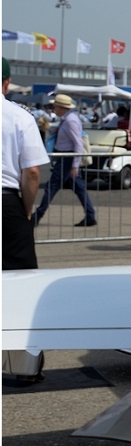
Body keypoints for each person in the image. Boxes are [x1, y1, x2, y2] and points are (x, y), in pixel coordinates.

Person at [2, 60, 49, 385]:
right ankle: (24, 367)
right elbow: (32, 172)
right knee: (20, 285)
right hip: (7, 202)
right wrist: (27, 211)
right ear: (7, 82)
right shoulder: (19, 116)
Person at [33, 93, 97, 227]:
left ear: (61, 108)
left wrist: (75, 165)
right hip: (67, 157)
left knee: (52, 187)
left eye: (55, 106)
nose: (54, 109)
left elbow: (78, 144)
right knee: (79, 188)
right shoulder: (68, 119)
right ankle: (90, 215)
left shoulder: (69, 121)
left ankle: (37, 216)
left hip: (67, 158)